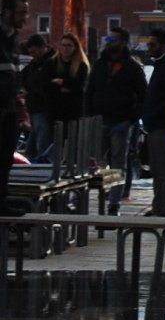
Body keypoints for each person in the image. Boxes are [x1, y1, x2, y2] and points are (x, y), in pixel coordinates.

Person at [86, 35, 148, 206]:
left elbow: (143, 96)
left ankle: (114, 201)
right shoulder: (99, 65)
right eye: (107, 39)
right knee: (93, 160)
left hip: (121, 121)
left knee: (117, 163)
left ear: (123, 43)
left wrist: (131, 119)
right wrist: (89, 115)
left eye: (112, 39)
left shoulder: (133, 67)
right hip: (99, 120)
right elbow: (90, 90)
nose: (108, 42)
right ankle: (82, 197)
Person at [138, 29, 165, 219]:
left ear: (164, 46)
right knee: (156, 167)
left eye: (152, 45)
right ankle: (159, 206)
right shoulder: (161, 65)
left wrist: (153, 114)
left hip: (162, 125)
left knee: (163, 168)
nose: (149, 48)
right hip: (155, 124)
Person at [45, 31, 90, 173]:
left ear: (75, 48)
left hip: (73, 109)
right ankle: (56, 166)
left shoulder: (81, 65)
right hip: (55, 108)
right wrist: (63, 86)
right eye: (63, 45)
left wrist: (61, 81)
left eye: (69, 45)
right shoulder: (51, 63)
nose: (65, 48)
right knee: (56, 139)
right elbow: (45, 84)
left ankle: (70, 166)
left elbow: (78, 85)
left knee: (71, 140)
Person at [0, 0, 24, 204]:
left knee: (6, 157)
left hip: (9, 107)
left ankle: (3, 201)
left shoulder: (12, 39)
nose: (25, 18)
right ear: (7, 13)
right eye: (21, 13)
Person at [22, 36, 58, 165]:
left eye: (34, 52)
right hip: (34, 108)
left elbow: (42, 85)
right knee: (34, 144)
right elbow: (22, 78)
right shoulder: (35, 63)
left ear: (43, 48)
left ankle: (43, 167)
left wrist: (30, 91)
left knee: (42, 143)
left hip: (43, 108)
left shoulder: (50, 63)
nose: (32, 55)